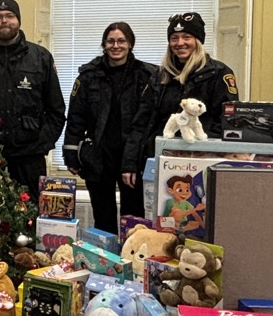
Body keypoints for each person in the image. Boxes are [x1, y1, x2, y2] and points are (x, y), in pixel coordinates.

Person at [122, 12, 239, 190]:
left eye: (187, 37)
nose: (180, 43)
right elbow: (142, 123)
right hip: (159, 160)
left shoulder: (219, 74)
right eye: (174, 38)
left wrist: (195, 147)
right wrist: (129, 162)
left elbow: (227, 123)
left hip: (201, 164)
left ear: (198, 40)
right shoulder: (160, 76)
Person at [0, 0, 66, 199]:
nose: (4, 21)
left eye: (9, 16)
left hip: (29, 158)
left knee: (29, 217)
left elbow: (56, 109)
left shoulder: (41, 58)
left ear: (18, 20)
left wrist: (42, 144)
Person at [62, 22, 156, 234]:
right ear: (104, 44)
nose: (116, 46)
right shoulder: (88, 76)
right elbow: (76, 117)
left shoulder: (148, 76)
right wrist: (70, 155)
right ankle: (105, 263)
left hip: (132, 157)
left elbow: (149, 122)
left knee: (133, 217)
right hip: (98, 156)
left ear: (130, 43)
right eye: (110, 41)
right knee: (102, 216)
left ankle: (131, 261)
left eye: (121, 41)